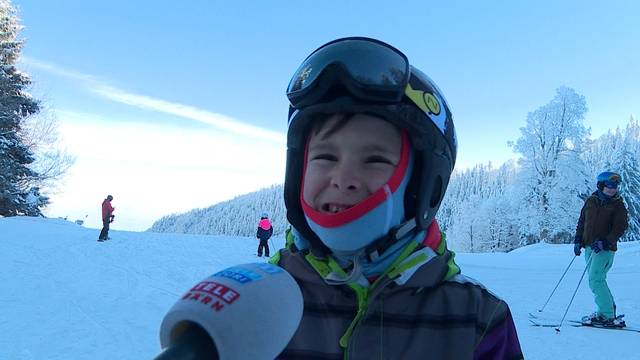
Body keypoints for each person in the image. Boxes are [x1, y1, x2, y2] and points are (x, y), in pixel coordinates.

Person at [269, 37, 523, 359]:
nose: (344, 180)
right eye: (325, 157)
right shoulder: (261, 299)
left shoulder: (476, 318)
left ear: (423, 186)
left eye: (374, 160)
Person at [574, 171, 628, 327]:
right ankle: (608, 311)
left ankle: (606, 315)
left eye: (615, 186)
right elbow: (582, 221)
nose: (612, 189)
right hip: (590, 247)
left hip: (605, 249)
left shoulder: (617, 205)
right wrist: (578, 240)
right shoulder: (591, 201)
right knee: (595, 280)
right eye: (609, 186)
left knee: (596, 280)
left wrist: (605, 242)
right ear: (601, 185)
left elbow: (620, 227)